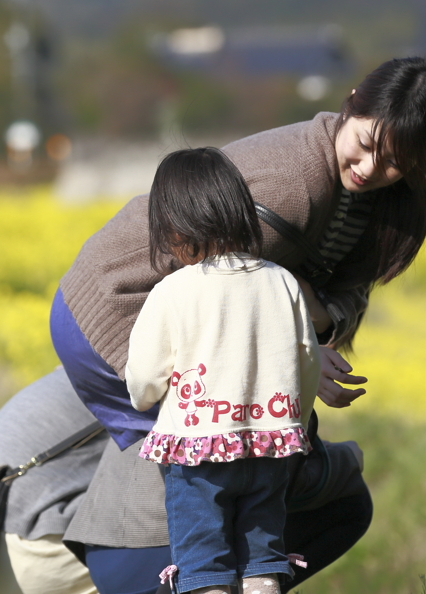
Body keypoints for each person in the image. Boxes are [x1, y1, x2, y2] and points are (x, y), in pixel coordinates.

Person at [51, 56, 426, 594]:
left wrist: (317, 324)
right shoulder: (293, 181)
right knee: (218, 463)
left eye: (396, 160)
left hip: (173, 310)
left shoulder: (383, 201)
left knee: (253, 458)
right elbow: (229, 286)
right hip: (116, 308)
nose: (370, 166)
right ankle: (213, 569)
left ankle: (240, 561)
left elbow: (346, 292)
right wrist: (300, 344)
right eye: (368, 141)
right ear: (352, 101)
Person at [125, 148, 322, 594]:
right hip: (271, 451)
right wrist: (290, 422)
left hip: (197, 459)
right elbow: (306, 363)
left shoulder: (173, 291)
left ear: (173, 226)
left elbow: (143, 379)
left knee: (204, 571)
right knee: (262, 565)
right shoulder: (283, 282)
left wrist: (142, 401)